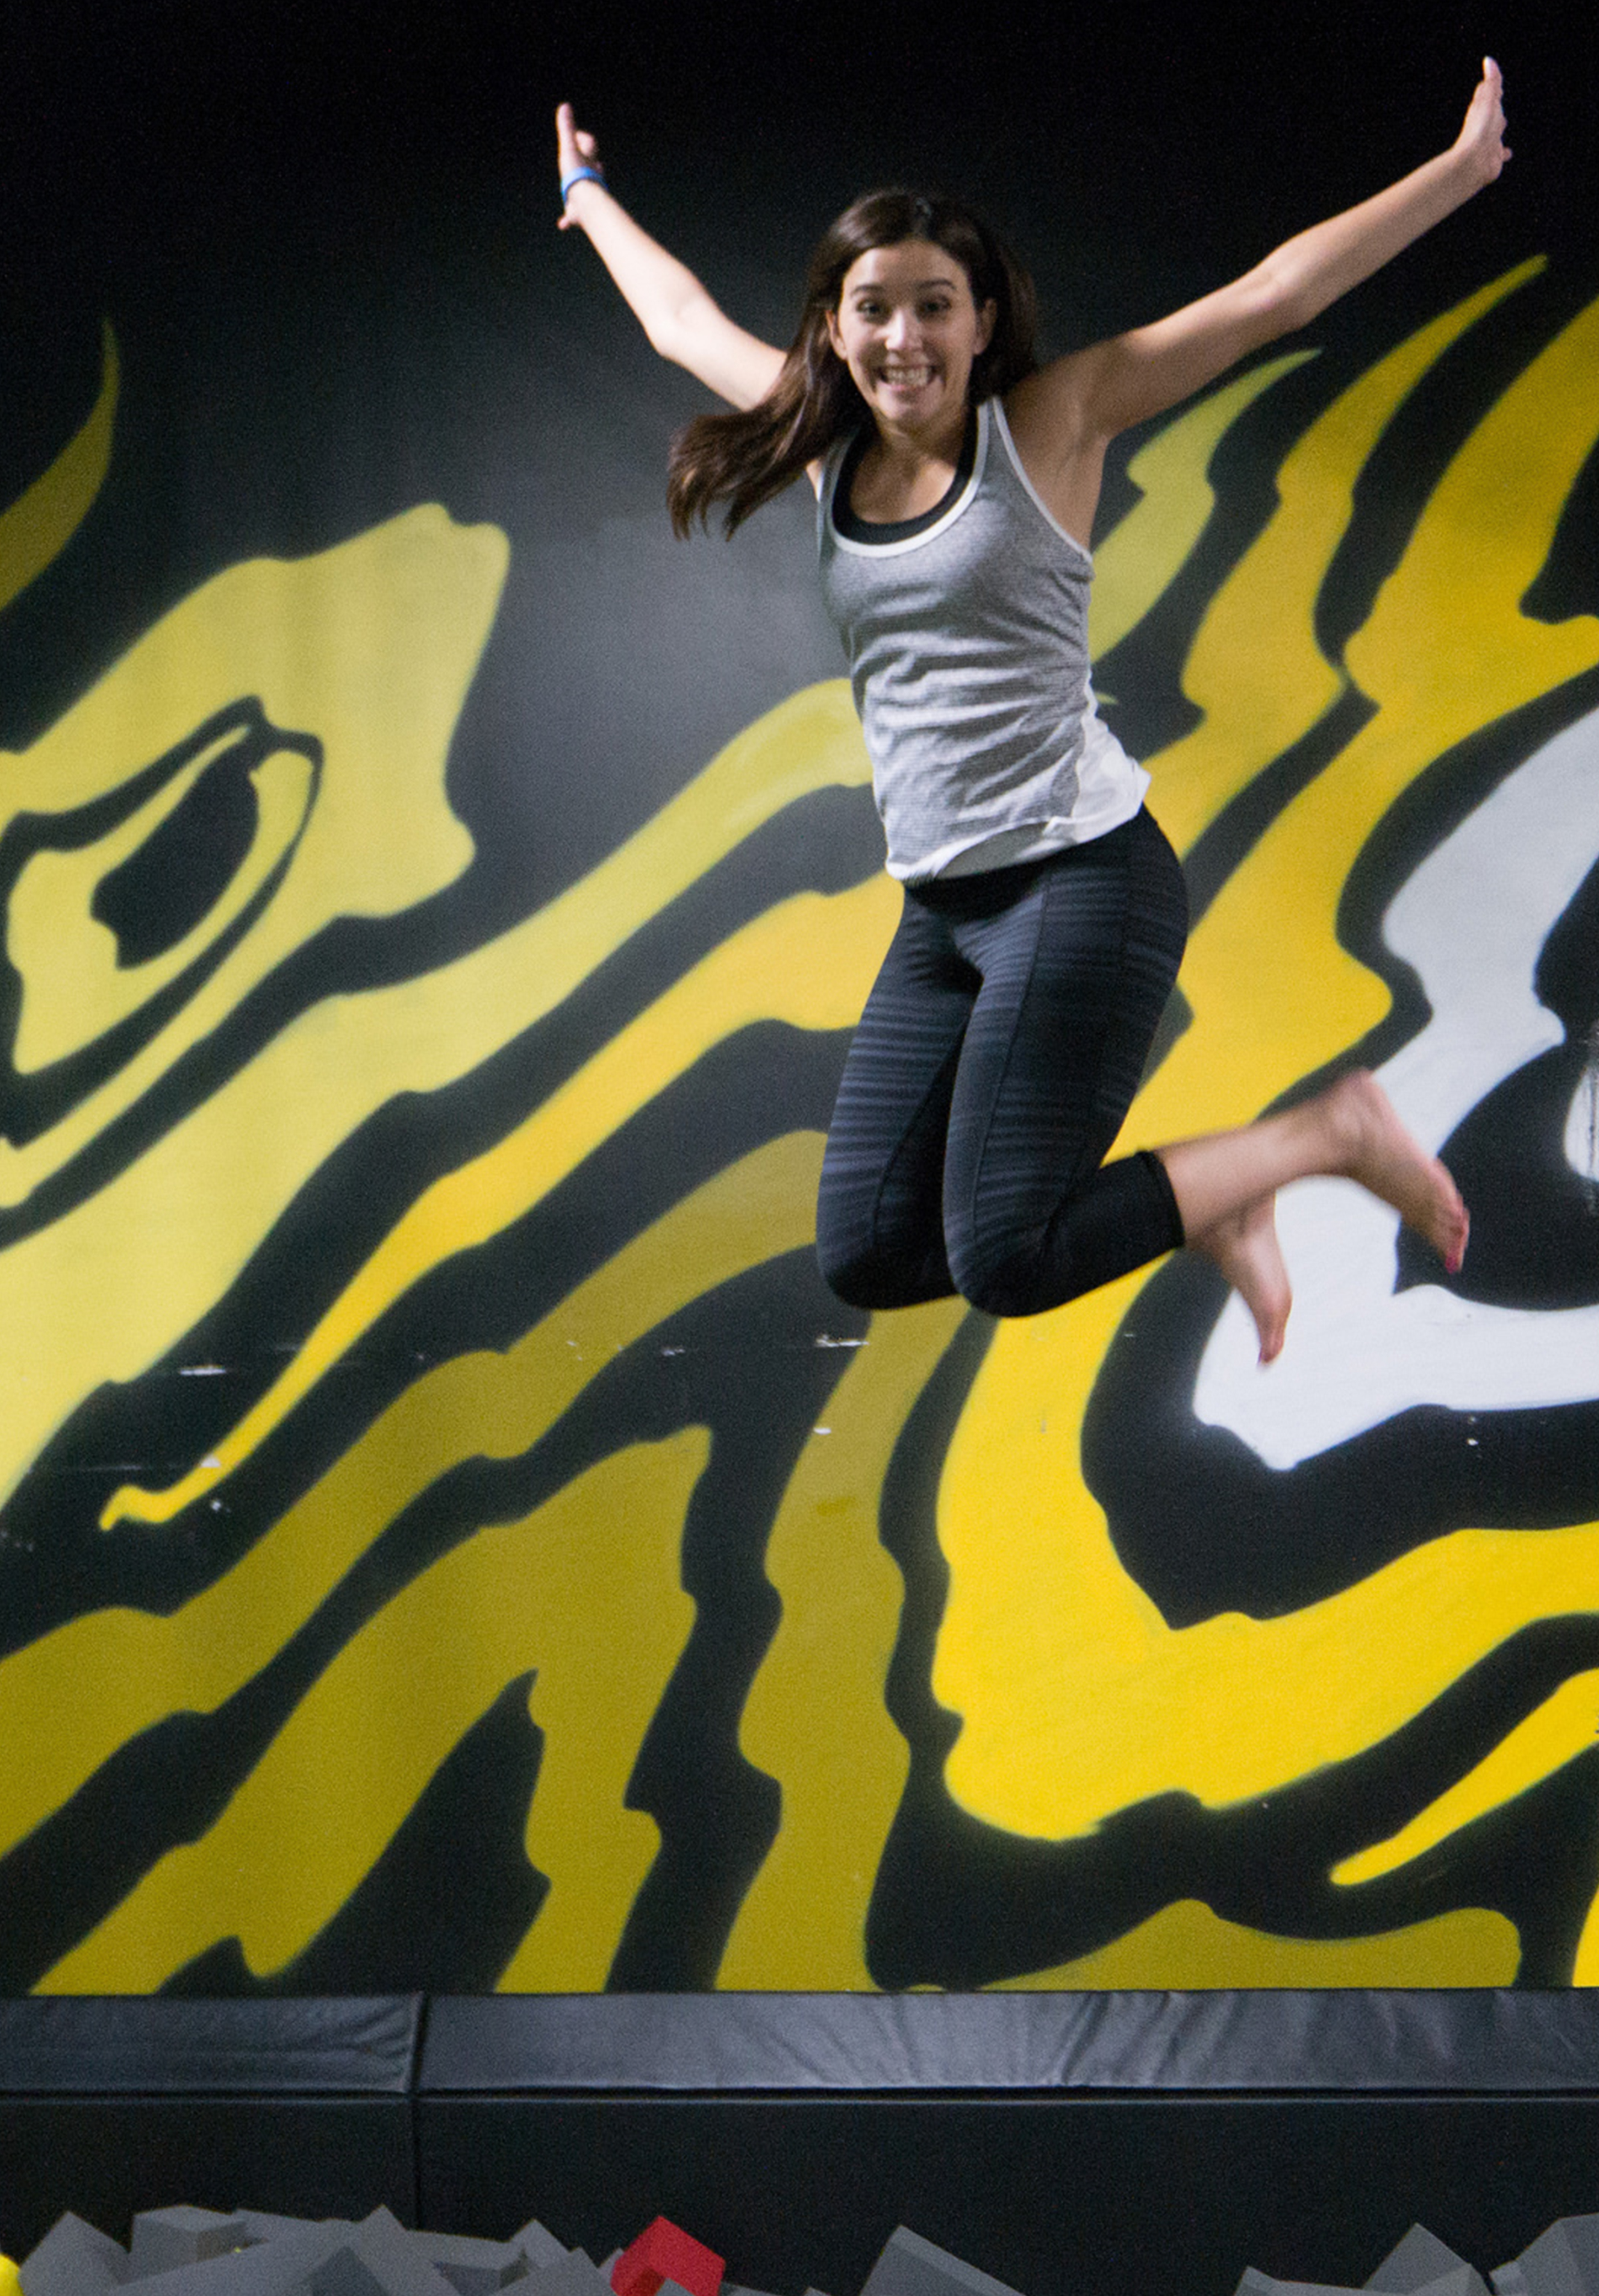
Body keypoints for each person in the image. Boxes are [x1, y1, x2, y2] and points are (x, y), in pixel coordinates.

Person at [554, 66, 1509, 1362]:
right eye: (873, 310)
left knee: (1007, 1253)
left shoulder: (1052, 425)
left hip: (1078, 879)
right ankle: (1223, 1204)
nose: (903, 339)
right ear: (833, 332)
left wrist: (1455, 175)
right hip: (946, 905)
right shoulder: (821, 451)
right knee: (870, 1250)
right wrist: (587, 194)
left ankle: (1323, 1136)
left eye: (933, 308)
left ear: (981, 318)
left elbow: (1271, 296)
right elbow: (677, 321)